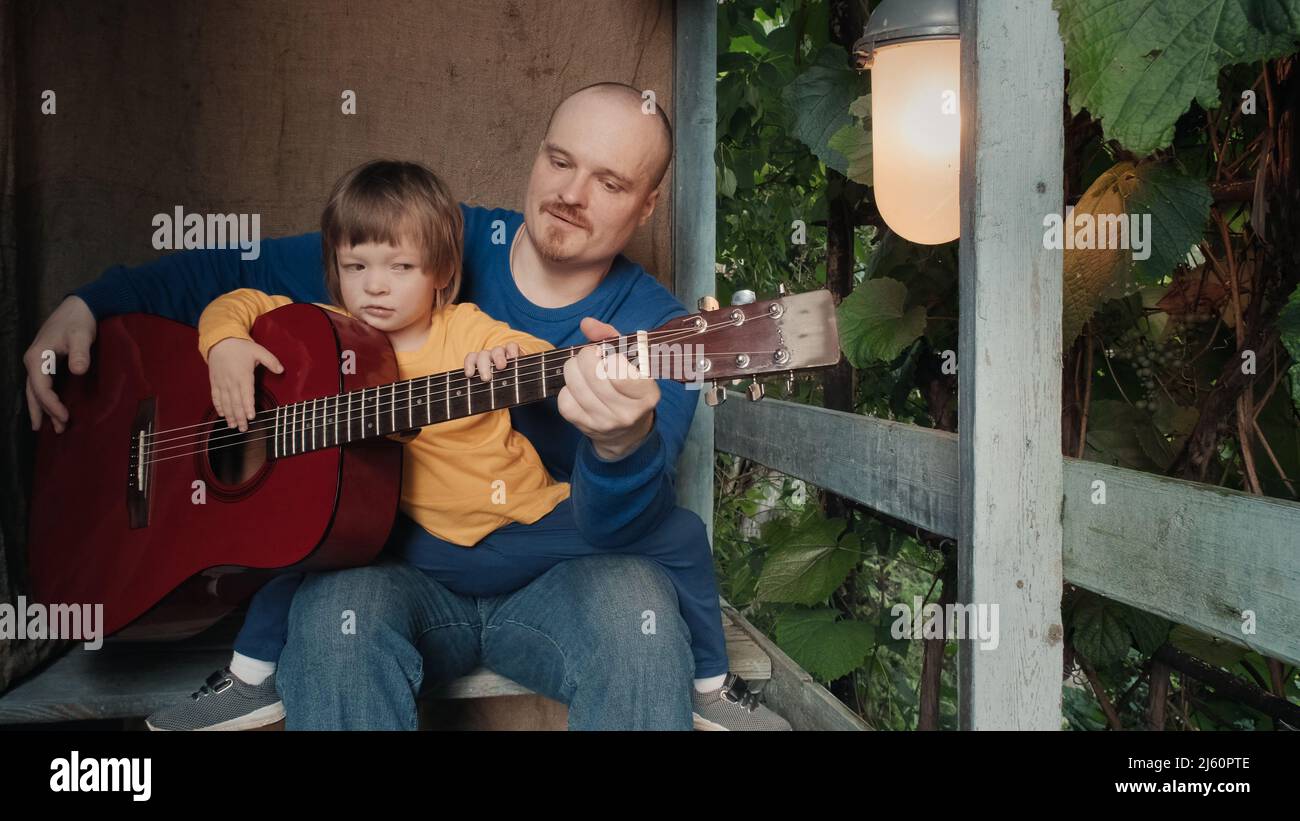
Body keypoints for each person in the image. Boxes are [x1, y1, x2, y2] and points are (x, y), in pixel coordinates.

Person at [25, 82, 790, 730]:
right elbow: (235, 273)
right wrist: (92, 302)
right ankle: (252, 675)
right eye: (560, 161)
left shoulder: (664, 338)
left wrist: (620, 447)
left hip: (561, 574)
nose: (570, 194)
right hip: (390, 572)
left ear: (650, 205)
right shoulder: (423, 242)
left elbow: (627, 528)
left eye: (610, 182)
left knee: (638, 611)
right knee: (331, 616)